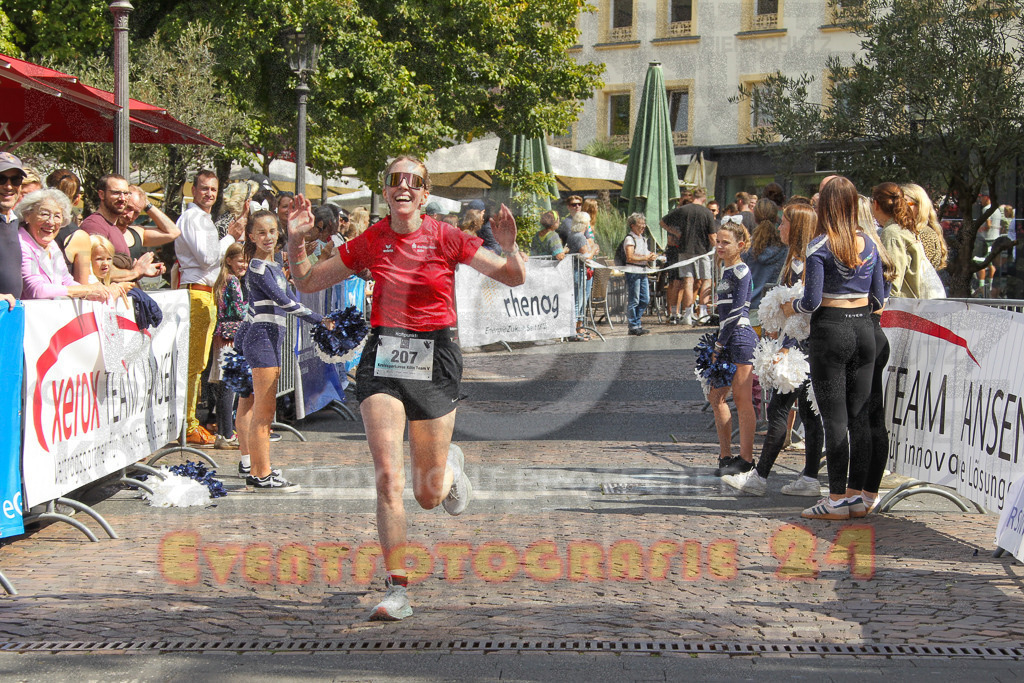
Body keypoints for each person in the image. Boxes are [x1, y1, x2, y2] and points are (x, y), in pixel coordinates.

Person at [286, 155, 525, 621]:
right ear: (386, 188)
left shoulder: (446, 235)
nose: (403, 187)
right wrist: (297, 244)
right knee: (387, 478)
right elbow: (309, 279)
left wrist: (511, 247)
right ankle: (398, 587)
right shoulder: (373, 239)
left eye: (412, 181)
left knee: (428, 494)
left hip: (435, 356)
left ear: (424, 191)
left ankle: (450, 469)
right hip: (384, 360)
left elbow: (511, 276)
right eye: (395, 180)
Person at [783, 176, 884, 520]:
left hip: (831, 330)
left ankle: (837, 498)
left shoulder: (819, 246)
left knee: (834, 420)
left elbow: (811, 300)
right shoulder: (869, 244)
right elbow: (879, 297)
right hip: (864, 330)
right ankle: (856, 495)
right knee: (859, 418)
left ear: (824, 205)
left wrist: (789, 308)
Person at [722, 202, 824, 496]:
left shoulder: (808, 262)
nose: (780, 227)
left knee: (781, 409)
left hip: (801, 347)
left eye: (785, 223)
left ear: (798, 227)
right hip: (793, 343)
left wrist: (787, 344)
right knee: (805, 411)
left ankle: (760, 477)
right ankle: (808, 478)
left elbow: (805, 311)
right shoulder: (794, 260)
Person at [235, 211, 323, 490]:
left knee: (260, 408)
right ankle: (260, 473)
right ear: (251, 236)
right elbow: (284, 302)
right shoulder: (259, 267)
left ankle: (259, 468)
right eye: (261, 233)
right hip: (262, 339)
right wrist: (321, 320)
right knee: (264, 411)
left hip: (268, 338)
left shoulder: (272, 266)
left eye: (272, 231)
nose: (268, 237)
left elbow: (269, 305)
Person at [176, 170, 244, 446]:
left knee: (199, 363)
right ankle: (188, 423)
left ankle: (190, 420)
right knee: (194, 364)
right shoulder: (193, 218)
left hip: (205, 293)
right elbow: (206, 259)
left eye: (213, 190)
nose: (209, 194)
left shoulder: (202, 219)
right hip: (197, 293)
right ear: (192, 190)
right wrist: (228, 239)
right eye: (204, 189)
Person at [709, 220, 758, 477]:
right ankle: (725, 456)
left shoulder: (740, 270)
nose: (719, 246)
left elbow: (738, 310)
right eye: (718, 241)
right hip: (727, 337)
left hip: (738, 337)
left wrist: (719, 342)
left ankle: (747, 458)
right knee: (716, 397)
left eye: (725, 242)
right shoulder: (726, 269)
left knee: (741, 399)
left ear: (740, 245)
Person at [17, 189, 117, 301]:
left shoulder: (52, 245)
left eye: (57, 216)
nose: (51, 222)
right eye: (44, 214)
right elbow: (36, 290)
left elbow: (66, 280)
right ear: (27, 216)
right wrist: (86, 290)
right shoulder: (21, 244)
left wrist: (98, 292)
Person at [210, 243, 248, 451]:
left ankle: (223, 433)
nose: (244, 265)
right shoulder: (232, 281)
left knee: (224, 386)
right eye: (241, 260)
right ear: (229, 260)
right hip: (230, 336)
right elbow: (239, 310)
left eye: (246, 261)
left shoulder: (224, 279)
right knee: (228, 387)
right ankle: (226, 434)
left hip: (223, 334)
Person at [661, 186, 716, 325]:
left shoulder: (683, 210)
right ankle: (702, 311)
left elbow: (663, 222)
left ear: (692, 197)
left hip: (684, 250)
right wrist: (718, 250)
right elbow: (712, 236)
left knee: (688, 281)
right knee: (706, 280)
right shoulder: (707, 213)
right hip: (702, 250)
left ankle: (687, 313)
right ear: (704, 199)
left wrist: (675, 232)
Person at [875, 182, 926, 298]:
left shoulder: (892, 233)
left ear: (876, 204)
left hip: (902, 309)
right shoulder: (900, 229)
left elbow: (892, 283)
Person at [744, 198, 786, 328]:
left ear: (755, 218)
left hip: (748, 307)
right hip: (774, 308)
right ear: (776, 217)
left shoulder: (746, 248)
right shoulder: (784, 248)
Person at [622, 212, 657, 336]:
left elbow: (644, 253)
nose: (643, 227)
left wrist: (651, 256)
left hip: (642, 271)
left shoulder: (642, 239)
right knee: (634, 299)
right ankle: (633, 325)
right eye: (640, 225)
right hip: (633, 271)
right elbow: (630, 257)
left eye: (644, 225)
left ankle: (637, 321)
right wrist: (646, 257)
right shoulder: (629, 239)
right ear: (632, 226)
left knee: (645, 298)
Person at [901, 183, 948, 273]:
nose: (899, 208)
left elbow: (920, 272)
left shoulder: (926, 235)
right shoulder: (905, 231)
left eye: (905, 203)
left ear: (919, 206)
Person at [0, 152, 26, 308]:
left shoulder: (20, 223)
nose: (8, 186)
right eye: (1, 179)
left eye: (15, 180)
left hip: (10, 320)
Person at [568, 210, 599, 339]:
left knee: (581, 301)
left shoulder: (574, 235)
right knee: (578, 301)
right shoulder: (579, 237)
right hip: (579, 271)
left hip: (581, 271)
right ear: (585, 224)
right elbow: (586, 256)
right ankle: (574, 330)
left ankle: (579, 328)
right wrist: (594, 249)